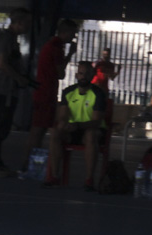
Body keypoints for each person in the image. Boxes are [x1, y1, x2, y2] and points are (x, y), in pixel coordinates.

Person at [21, 19, 78, 174]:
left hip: (44, 91)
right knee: (38, 130)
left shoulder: (50, 45)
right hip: (46, 92)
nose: (72, 38)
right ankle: (29, 164)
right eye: (72, 34)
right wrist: (70, 54)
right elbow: (61, 73)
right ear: (65, 32)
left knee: (38, 129)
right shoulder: (56, 48)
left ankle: (29, 162)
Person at [43, 61, 107, 192]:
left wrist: (77, 125)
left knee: (90, 135)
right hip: (73, 129)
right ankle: (54, 176)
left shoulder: (98, 94)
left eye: (87, 74)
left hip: (91, 129)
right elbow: (63, 115)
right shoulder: (68, 92)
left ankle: (89, 180)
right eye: (81, 73)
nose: (84, 76)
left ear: (92, 75)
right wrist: (64, 123)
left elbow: (96, 121)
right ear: (77, 75)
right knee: (55, 132)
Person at [0, 8, 30, 177]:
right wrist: (18, 78)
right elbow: (2, 63)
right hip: (3, 90)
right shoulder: (5, 38)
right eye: (26, 23)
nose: (28, 27)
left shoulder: (13, 40)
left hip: (10, 91)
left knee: (3, 128)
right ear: (19, 23)